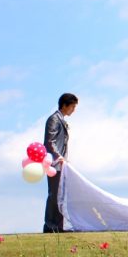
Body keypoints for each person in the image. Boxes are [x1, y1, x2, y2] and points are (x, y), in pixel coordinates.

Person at [43, 93, 77, 233]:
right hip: (54, 164)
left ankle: (58, 226)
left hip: (60, 165)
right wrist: (59, 157)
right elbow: (49, 142)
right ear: (65, 105)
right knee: (54, 195)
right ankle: (50, 226)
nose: (73, 110)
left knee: (60, 195)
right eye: (72, 106)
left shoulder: (61, 119)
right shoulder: (54, 119)